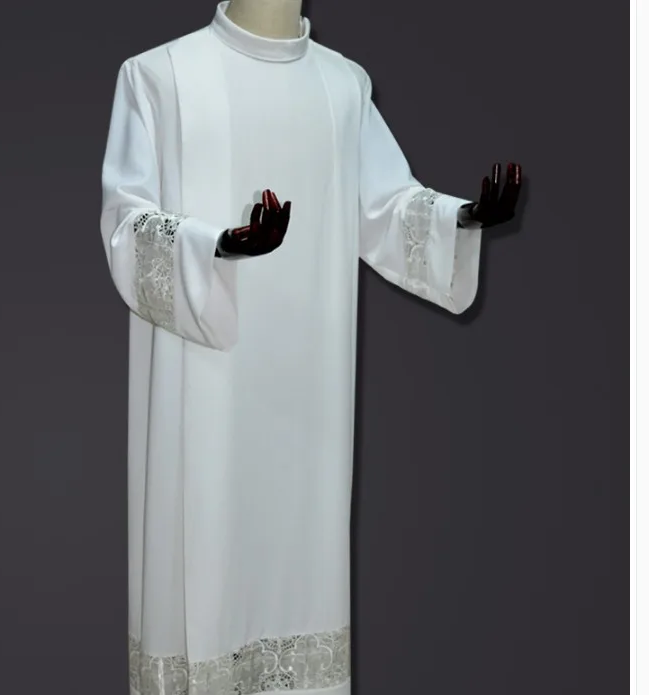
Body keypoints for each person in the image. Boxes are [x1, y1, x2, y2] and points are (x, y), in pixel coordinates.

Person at [99, 2, 522, 693]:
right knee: (201, 548)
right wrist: (216, 246)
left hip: (308, 393)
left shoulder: (342, 85)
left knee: (298, 559)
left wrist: (464, 217)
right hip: (202, 381)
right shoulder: (160, 75)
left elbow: (383, 206)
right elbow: (126, 221)